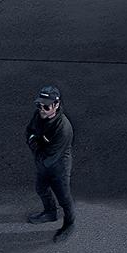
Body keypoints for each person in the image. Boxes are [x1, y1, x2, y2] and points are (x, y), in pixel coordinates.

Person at [25, 85, 74, 241]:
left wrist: (35, 144)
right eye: (39, 105)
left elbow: (50, 156)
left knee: (63, 196)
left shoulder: (63, 128)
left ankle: (69, 224)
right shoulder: (39, 115)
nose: (41, 109)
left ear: (56, 104)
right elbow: (29, 132)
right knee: (40, 188)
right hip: (43, 162)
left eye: (46, 106)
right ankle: (50, 212)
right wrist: (35, 142)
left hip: (59, 166)